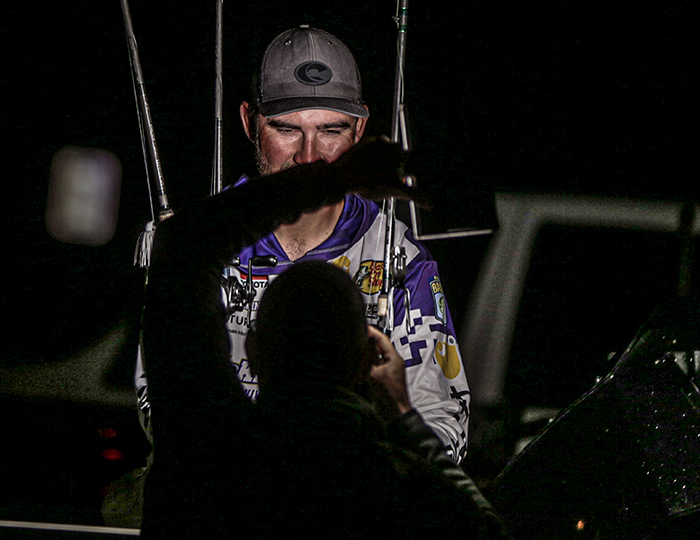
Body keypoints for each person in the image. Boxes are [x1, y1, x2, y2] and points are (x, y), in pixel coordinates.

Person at [137, 142, 502, 538]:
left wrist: (336, 179)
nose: (308, 150)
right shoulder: (397, 490)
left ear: (254, 351)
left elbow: (184, 244)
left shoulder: (206, 456)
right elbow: (485, 527)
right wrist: (404, 417)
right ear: (369, 359)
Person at [220, 24, 471, 463]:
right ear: (248, 122)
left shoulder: (402, 261)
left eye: (331, 131)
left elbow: (445, 424)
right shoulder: (201, 248)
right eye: (286, 129)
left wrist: (385, 432)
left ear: (360, 129)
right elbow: (162, 402)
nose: (309, 156)